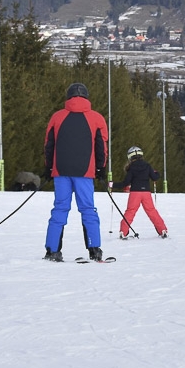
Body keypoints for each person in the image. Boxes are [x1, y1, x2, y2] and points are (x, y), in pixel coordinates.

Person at [42, 83, 109, 261]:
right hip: (85, 172)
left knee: (60, 209)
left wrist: (48, 167)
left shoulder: (57, 117)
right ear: (86, 97)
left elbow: (49, 144)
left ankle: (52, 250)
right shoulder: (97, 118)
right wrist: (101, 168)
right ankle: (94, 249)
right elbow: (101, 146)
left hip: (61, 171)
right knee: (88, 209)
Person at [112, 145, 169, 238]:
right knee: (152, 211)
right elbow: (155, 177)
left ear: (130, 157)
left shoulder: (131, 168)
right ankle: (162, 230)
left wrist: (112, 185)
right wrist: (157, 173)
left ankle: (123, 231)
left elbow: (125, 183)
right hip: (146, 193)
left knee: (130, 211)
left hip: (135, 193)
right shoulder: (147, 165)